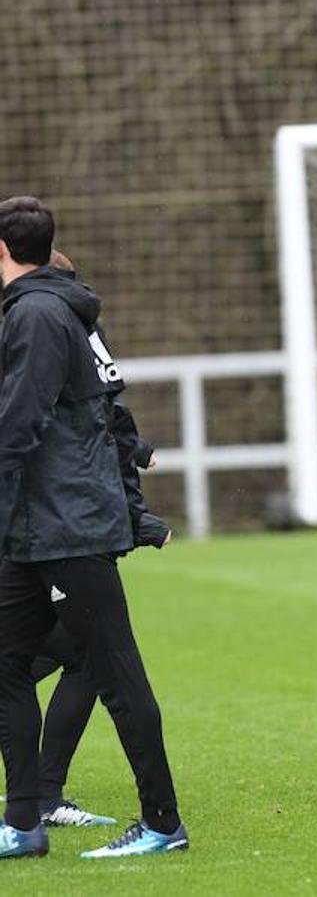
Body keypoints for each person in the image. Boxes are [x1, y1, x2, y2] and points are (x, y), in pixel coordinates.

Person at [0, 197, 187, 859]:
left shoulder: (38, 315)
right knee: (8, 662)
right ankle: (25, 820)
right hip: (33, 528)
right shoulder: (42, 312)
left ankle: (162, 823)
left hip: (68, 525)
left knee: (115, 673)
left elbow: (20, 421)